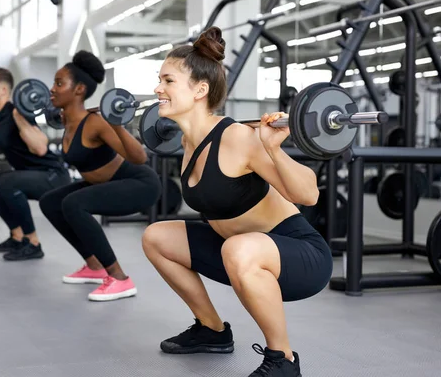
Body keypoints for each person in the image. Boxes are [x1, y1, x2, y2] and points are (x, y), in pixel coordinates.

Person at [141, 27, 333, 377]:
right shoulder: (186, 143)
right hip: (237, 249)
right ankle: (212, 329)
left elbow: (309, 195)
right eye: (159, 80)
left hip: (299, 256)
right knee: (156, 237)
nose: (158, 89)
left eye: (168, 81)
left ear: (200, 90)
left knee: (238, 249)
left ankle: (283, 360)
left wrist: (273, 149)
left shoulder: (238, 138)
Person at [38, 50, 161, 302]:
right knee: (50, 202)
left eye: (59, 83)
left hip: (138, 184)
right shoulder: (69, 122)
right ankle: (94, 266)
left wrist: (115, 121)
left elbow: (140, 158)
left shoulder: (95, 122)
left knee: (74, 203)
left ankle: (119, 278)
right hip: (106, 182)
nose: (52, 89)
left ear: (79, 89)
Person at [0, 67, 71, 260]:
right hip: (34, 174)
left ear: (3, 90)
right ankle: (17, 236)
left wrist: (19, 118)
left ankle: (33, 243)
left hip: (53, 176)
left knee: (7, 182)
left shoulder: (16, 112)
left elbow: (41, 148)